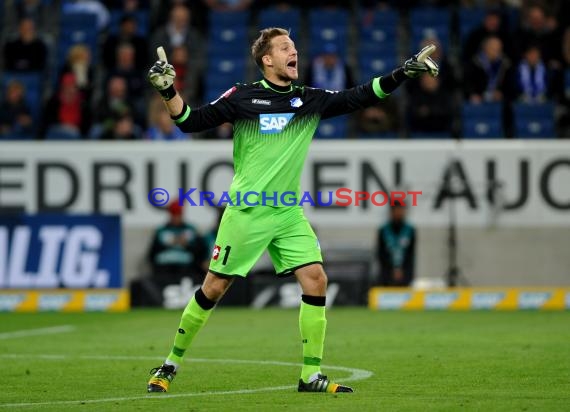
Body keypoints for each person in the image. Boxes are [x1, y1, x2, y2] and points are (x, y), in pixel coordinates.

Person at [146, 27, 438, 394]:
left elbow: (359, 96)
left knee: (316, 279)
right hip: (247, 212)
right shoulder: (242, 96)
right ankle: (169, 365)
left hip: (287, 213)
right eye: (285, 47)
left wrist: (402, 72)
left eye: (295, 47)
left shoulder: (309, 99)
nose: (294, 52)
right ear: (267, 59)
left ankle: (310, 375)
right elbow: (190, 121)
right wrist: (167, 90)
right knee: (214, 287)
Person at [376, 204, 416, 287]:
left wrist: (401, 270)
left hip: (405, 274)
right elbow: (381, 253)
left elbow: (411, 254)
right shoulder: (384, 230)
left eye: (401, 210)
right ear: (391, 212)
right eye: (396, 210)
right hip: (387, 274)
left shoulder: (410, 230)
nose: (398, 213)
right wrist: (393, 269)